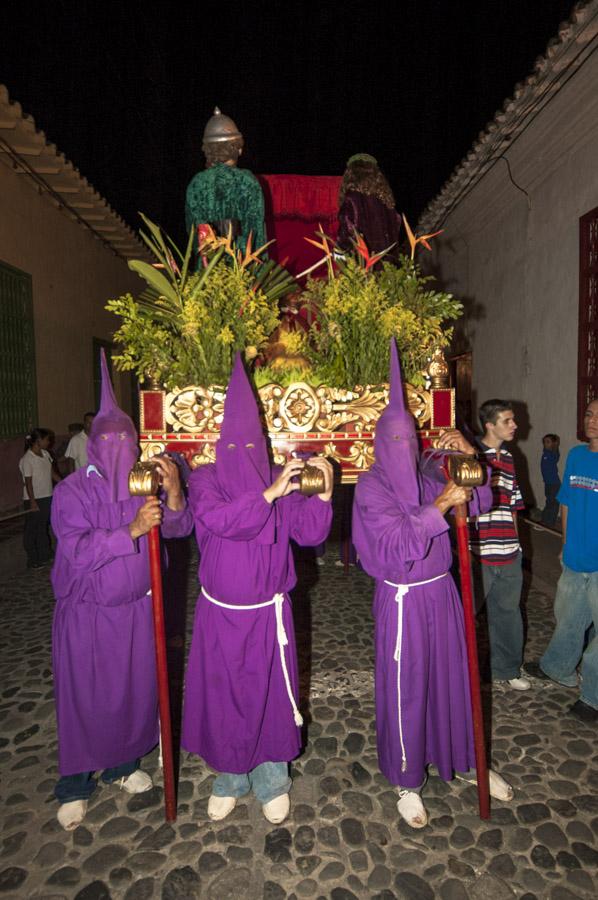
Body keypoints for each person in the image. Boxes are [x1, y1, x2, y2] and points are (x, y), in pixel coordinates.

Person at [352, 342, 513, 828]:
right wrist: (440, 505)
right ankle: (405, 779)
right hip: (401, 600)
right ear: (381, 444)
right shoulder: (370, 486)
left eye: (410, 439)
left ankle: (464, 760)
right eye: (393, 441)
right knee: (407, 687)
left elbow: (481, 501)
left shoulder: (428, 473)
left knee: (455, 680)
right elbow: (396, 540)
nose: (403, 448)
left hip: (442, 593)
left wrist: (468, 456)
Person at [181, 353, 333, 824]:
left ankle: (272, 779)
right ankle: (229, 776)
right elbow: (222, 521)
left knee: (271, 692)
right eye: (236, 440)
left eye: (255, 440)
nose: (246, 449)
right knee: (225, 695)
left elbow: (308, 535)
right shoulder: (205, 480)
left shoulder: (277, 476)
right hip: (221, 614)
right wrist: (268, 495)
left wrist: (324, 491)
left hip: (270, 612)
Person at [50, 352, 192, 830]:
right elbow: (76, 550)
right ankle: (75, 783)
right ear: (92, 445)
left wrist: (172, 493)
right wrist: (129, 530)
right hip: (89, 616)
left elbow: (176, 529)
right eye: (107, 439)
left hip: (137, 612)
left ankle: (123, 765)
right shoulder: (72, 492)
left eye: (125, 438)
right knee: (85, 698)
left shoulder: (142, 482)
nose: (117, 446)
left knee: (134, 695)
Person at [526, 399, 598, 722]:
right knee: (568, 619)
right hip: (574, 558)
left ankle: (594, 698)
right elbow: (566, 502)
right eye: (589, 413)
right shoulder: (576, 455)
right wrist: (564, 543)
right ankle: (558, 668)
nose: (592, 420)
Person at [469, 400, 531, 691]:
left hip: (508, 551)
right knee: (466, 615)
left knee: (508, 615)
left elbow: (514, 505)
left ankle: (506, 668)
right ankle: (462, 671)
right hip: (478, 553)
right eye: (508, 420)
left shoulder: (508, 458)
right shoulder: (469, 456)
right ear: (490, 425)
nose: (515, 425)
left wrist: (517, 546)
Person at [185, 107, 266, 256]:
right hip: (241, 264)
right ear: (237, 148)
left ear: (208, 151)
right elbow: (257, 234)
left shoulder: (197, 183)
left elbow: (193, 233)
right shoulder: (247, 182)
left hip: (208, 265)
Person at [337, 154, 402, 263]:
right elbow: (396, 228)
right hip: (389, 268)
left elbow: (347, 232)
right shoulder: (386, 202)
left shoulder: (352, 199)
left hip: (364, 268)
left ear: (350, 175)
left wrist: (339, 255)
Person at [19, 428, 60, 568]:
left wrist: (64, 483)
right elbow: (28, 482)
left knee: (42, 527)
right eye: (47, 439)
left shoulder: (45, 454)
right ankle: (32, 558)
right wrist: (32, 501)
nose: (49, 442)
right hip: (35, 498)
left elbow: (51, 473)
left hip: (47, 495)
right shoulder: (27, 459)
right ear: (38, 441)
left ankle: (45, 554)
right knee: (32, 528)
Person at [540, 433, 561, 527]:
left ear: (553, 444)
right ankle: (545, 520)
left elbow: (556, 452)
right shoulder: (545, 453)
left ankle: (549, 522)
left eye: (548, 442)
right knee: (550, 502)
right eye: (544, 442)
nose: (545, 444)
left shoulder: (552, 454)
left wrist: (556, 443)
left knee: (553, 503)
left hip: (554, 484)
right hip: (549, 484)